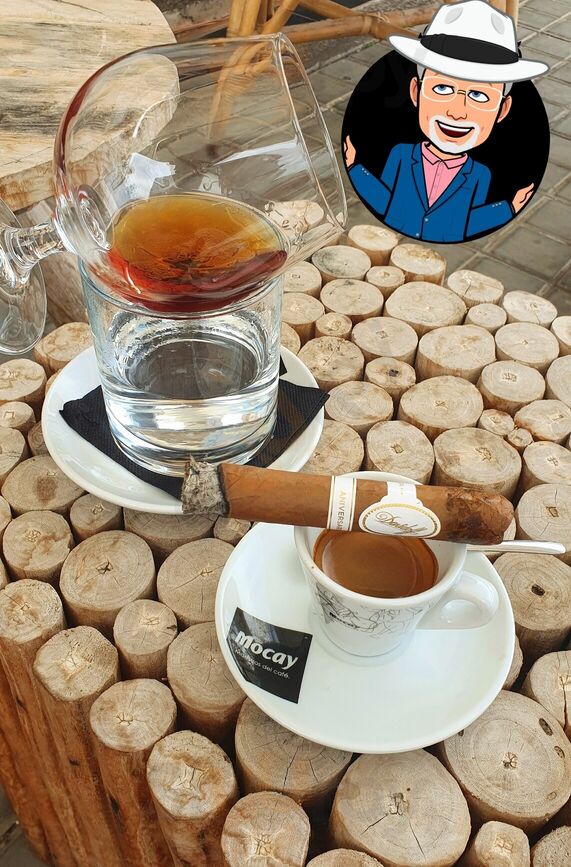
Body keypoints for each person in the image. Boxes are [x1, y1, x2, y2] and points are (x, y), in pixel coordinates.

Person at [344, 0, 548, 243]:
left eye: (478, 95)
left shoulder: (479, 174)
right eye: (442, 88)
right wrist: (355, 167)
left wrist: (508, 208)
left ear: (502, 110)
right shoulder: (400, 154)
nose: (457, 112)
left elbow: (468, 220)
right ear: (416, 92)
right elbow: (383, 198)